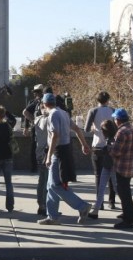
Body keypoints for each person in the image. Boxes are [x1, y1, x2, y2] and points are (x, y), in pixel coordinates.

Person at [37, 93, 92, 226]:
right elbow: (77, 129)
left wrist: (49, 157)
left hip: (58, 152)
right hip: (64, 150)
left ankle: (82, 206)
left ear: (44, 104)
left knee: (56, 185)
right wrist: (84, 144)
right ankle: (53, 216)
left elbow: (55, 135)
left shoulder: (53, 115)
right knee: (50, 186)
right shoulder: (63, 113)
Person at [84, 91, 116, 210]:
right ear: (108, 100)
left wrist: (94, 127)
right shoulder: (113, 111)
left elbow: (86, 129)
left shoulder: (93, 111)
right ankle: (112, 201)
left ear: (97, 100)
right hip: (110, 146)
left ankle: (100, 202)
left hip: (97, 145)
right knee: (111, 174)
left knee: (98, 175)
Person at [110, 108, 133, 229]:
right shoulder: (132, 129)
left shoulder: (121, 132)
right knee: (126, 191)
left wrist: (109, 148)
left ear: (118, 120)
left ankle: (128, 220)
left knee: (123, 193)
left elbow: (116, 152)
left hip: (122, 166)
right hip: (130, 165)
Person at [88, 119, 118, 219]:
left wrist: (103, 151)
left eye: (102, 130)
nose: (101, 132)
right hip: (107, 165)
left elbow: (113, 152)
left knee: (116, 188)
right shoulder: (109, 139)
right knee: (101, 188)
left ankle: (129, 209)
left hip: (113, 167)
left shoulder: (113, 139)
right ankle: (96, 210)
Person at [23, 84, 44, 174]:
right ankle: (34, 166)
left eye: (37, 92)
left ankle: (36, 166)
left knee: (36, 147)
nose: (36, 94)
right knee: (34, 147)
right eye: (36, 92)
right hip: (37, 128)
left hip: (38, 128)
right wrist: (27, 127)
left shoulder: (40, 101)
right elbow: (26, 113)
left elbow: (26, 113)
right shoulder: (34, 102)